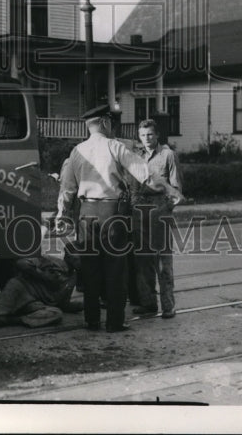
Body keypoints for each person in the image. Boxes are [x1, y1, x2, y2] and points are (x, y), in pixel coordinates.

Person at [55, 105, 181, 334]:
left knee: (90, 269)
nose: (113, 126)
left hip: (86, 215)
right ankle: (114, 322)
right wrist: (169, 190)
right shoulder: (115, 147)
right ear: (104, 122)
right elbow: (145, 174)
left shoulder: (77, 151)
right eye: (111, 122)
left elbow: (67, 189)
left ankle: (91, 320)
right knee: (116, 270)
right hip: (112, 214)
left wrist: (62, 215)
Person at [130, 119, 184, 320]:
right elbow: (133, 186)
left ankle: (168, 306)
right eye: (143, 135)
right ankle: (148, 304)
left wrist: (165, 208)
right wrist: (135, 207)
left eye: (150, 134)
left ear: (157, 135)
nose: (146, 139)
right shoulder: (136, 157)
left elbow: (176, 189)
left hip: (159, 211)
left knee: (163, 261)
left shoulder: (167, 155)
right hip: (140, 212)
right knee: (143, 261)